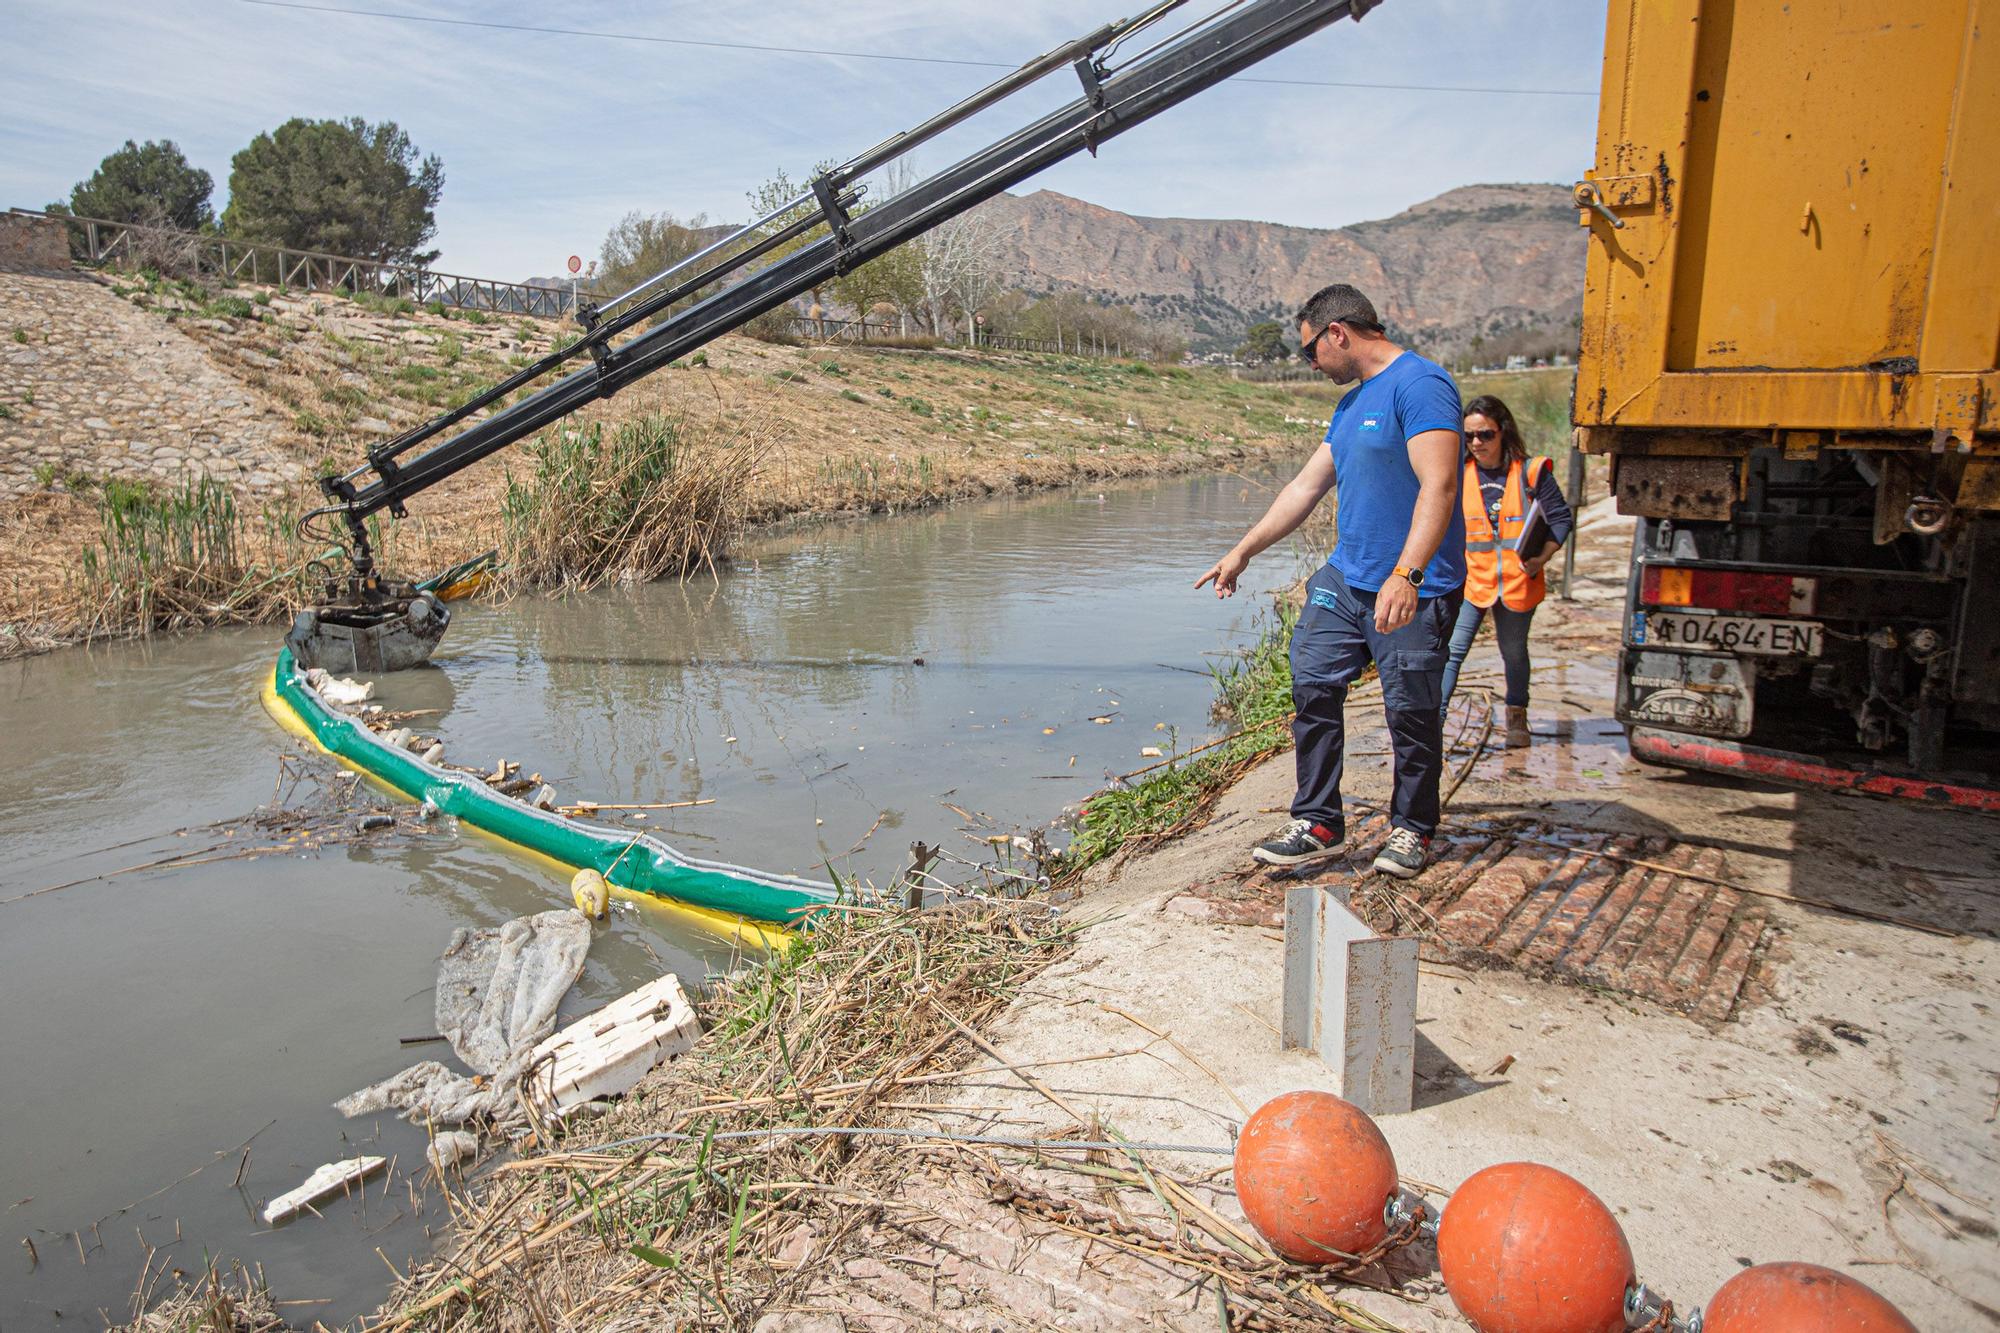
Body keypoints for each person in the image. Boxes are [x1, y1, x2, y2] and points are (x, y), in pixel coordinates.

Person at [1196, 284, 1465, 879]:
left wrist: (1407, 573)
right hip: (1346, 579)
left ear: (1337, 332)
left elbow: (1439, 485)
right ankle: (1318, 821)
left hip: (1412, 585)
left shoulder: (1421, 386)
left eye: (1310, 351)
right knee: (1312, 684)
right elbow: (1303, 488)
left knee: (1411, 713)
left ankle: (1413, 828)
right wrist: (1243, 551)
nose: (1310, 364)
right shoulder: (1350, 405)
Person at [1438, 394, 1574, 749]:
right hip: (1471, 582)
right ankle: (1433, 722)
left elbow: (1560, 518)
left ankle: (1517, 717)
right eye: (1468, 437)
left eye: (1485, 434)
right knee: (1452, 651)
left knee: (1513, 652)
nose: (1476, 443)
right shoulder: (1458, 475)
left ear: (1503, 431)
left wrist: (1541, 557)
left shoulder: (1531, 472)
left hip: (1517, 583)